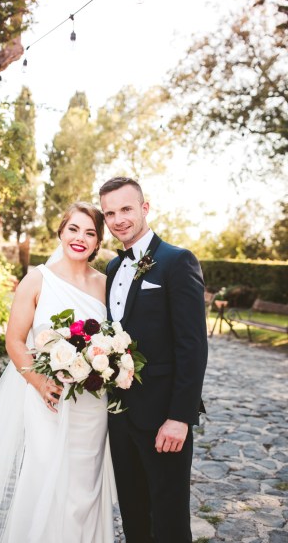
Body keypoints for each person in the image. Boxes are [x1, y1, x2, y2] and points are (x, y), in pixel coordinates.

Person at [0, 202, 115, 543]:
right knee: (45, 472)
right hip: (46, 399)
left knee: (84, 483)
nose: (80, 238)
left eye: (90, 232)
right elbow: (15, 340)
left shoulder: (106, 285)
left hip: (91, 404)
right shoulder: (37, 279)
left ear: (97, 242)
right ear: (61, 232)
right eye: (74, 229)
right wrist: (39, 382)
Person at [99, 177, 208, 543]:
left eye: (126, 209)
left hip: (164, 417)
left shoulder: (177, 261)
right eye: (110, 212)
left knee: (169, 518)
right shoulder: (113, 269)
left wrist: (180, 417)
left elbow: (192, 347)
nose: (118, 219)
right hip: (120, 415)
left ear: (145, 208)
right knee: (133, 513)